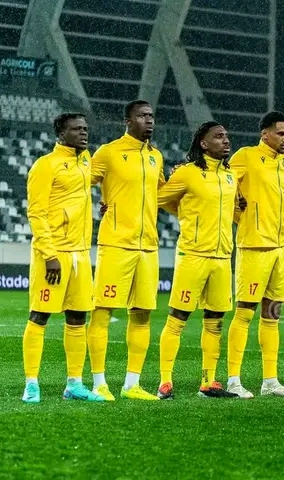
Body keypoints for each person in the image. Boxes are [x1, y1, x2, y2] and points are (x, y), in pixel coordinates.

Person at [22, 113, 104, 403]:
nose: (83, 133)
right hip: (53, 253)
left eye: (85, 129)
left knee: (78, 317)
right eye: (76, 130)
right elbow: (36, 212)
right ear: (61, 134)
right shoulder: (46, 165)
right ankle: (31, 383)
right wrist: (49, 254)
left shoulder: (85, 161)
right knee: (40, 315)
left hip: (81, 253)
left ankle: (74, 384)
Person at [155, 121, 240, 399]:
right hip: (193, 255)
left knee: (215, 321)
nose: (225, 141)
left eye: (226, 136)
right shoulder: (187, 174)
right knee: (178, 318)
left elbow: (236, 209)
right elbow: (159, 198)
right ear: (203, 144)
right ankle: (165, 381)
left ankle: (208, 381)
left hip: (222, 257)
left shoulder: (230, 176)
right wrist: (185, 215)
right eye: (218, 137)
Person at [87, 100, 165, 401]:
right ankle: (98, 383)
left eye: (152, 116)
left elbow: (163, 193)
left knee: (142, 313)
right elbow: (81, 182)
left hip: (148, 246)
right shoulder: (108, 152)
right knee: (103, 311)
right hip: (116, 243)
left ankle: (132, 384)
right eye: (143, 116)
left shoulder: (155, 156)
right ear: (127, 120)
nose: (149, 121)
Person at [226, 111, 284, 398]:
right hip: (253, 245)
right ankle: (233, 380)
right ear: (264, 134)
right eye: (280, 133)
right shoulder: (245, 155)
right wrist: (237, 211)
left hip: (280, 247)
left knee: (273, 313)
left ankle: (270, 381)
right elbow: (223, 184)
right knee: (245, 312)